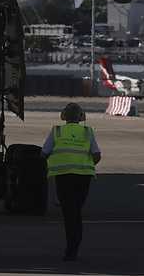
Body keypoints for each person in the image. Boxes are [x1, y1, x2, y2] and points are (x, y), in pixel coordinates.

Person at [42, 102, 101, 261]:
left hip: (64, 176)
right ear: (82, 117)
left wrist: (54, 162)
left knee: (69, 213)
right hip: (84, 176)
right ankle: (74, 246)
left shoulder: (57, 131)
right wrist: (85, 164)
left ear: (63, 116)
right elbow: (96, 155)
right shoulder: (88, 131)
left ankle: (71, 249)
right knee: (76, 212)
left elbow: (44, 152)